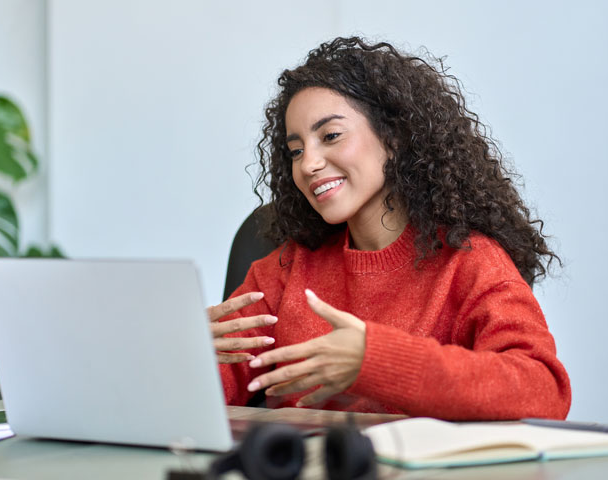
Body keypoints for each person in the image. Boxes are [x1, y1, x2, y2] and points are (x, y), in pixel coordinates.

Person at [206, 36, 571, 420]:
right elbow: (209, 387)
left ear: (393, 138)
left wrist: (376, 360)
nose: (308, 164)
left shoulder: (470, 262)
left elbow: (542, 390)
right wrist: (183, 355)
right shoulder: (284, 270)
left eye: (330, 136)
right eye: (296, 150)